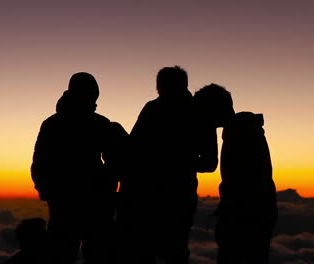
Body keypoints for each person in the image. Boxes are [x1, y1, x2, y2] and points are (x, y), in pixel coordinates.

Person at [31, 72, 119, 264]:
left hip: (65, 201)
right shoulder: (100, 123)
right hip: (91, 202)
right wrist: (108, 187)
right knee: (95, 255)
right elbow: (115, 162)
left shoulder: (52, 124)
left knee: (63, 253)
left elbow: (39, 163)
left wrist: (46, 191)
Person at [117, 66, 198, 264]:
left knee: (151, 251)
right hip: (176, 194)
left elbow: (133, 148)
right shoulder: (193, 110)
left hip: (152, 194)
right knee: (174, 251)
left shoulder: (154, 109)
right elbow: (209, 162)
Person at [193, 84, 277, 264]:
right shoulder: (243, 127)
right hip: (257, 212)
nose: (200, 117)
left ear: (213, 109)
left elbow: (244, 179)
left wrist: (230, 212)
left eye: (203, 111)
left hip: (245, 215)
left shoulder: (239, 131)